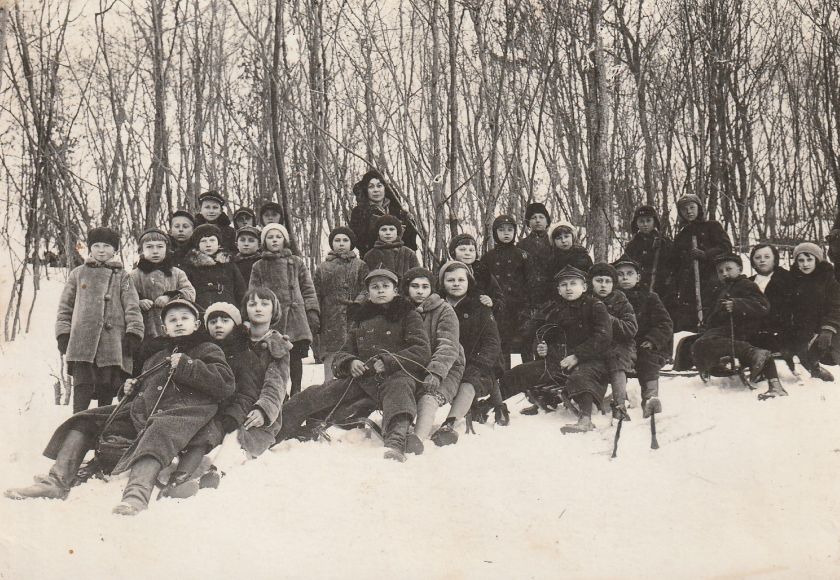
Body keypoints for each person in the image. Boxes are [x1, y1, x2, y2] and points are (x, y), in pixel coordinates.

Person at [5, 299, 234, 516]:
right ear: (165, 328)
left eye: (185, 318)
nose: (179, 323)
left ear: (196, 324)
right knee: (85, 420)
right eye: (172, 320)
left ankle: (135, 497)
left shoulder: (208, 349)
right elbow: (146, 387)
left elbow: (225, 384)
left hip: (182, 415)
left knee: (158, 431)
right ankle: (56, 482)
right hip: (144, 412)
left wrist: (188, 365)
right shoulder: (157, 356)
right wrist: (129, 389)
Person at [275, 269, 430, 462]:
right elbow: (343, 353)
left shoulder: (408, 315)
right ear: (368, 292)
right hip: (362, 379)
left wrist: (388, 362)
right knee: (314, 394)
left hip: (396, 376)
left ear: (395, 290)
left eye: (385, 286)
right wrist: (350, 362)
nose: (380, 290)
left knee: (400, 392)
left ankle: (396, 443)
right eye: (375, 287)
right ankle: (269, 434)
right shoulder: (361, 318)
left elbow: (421, 350)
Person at [156, 302, 262, 499]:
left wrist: (233, 415)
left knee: (205, 436)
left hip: (225, 413)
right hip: (197, 409)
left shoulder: (245, 355)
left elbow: (247, 393)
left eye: (225, 320)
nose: (218, 325)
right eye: (213, 321)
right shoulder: (200, 349)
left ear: (236, 325)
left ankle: (180, 479)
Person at [499, 266, 612, 433]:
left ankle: (585, 419)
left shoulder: (595, 306)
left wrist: (578, 356)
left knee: (580, 376)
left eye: (573, 283)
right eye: (564, 285)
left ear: (584, 287)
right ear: (558, 290)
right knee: (519, 372)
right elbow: (544, 334)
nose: (568, 288)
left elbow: (603, 336)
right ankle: (488, 406)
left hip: (591, 361)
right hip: (559, 362)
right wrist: (541, 347)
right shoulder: (555, 310)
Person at [56, 227, 145, 412]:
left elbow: (132, 307)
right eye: (96, 245)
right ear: (90, 248)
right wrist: (63, 334)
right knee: (82, 388)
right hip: (82, 344)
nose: (101, 250)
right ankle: (78, 423)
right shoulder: (78, 274)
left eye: (107, 246)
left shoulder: (123, 276)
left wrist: (134, 333)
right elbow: (65, 308)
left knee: (107, 389)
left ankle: (102, 423)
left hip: (111, 344)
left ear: (115, 250)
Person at [691, 254, 786, 399]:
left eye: (728, 269)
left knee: (703, 343)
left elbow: (763, 306)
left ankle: (752, 354)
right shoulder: (722, 289)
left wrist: (737, 304)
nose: (724, 273)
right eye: (720, 271)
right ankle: (718, 367)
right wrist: (706, 324)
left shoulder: (746, 285)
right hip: (725, 331)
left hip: (742, 330)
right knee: (690, 342)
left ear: (740, 269)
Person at [431, 261, 503, 446]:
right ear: (442, 283)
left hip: (476, 363)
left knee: (469, 381)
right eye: (450, 280)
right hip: (446, 362)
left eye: (461, 280)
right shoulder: (436, 307)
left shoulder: (480, 306)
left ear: (469, 282)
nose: (456, 284)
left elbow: (492, 342)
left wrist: (479, 364)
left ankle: (449, 424)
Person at [249, 223, 319, 397]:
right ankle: (280, 394)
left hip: (296, 317)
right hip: (273, 319)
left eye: (278, 237)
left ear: (285, 240)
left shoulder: (296, 262)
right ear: (264, 242)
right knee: (275, 356)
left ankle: (296, 392)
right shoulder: (259, 266)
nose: (274, 240)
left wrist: (312, 310)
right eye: (270, 237)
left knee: (295, 357)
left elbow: (308, 288)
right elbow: (253, 292)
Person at [401, 267, 465, 455]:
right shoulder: (400, 310)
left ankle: (417, 438)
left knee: (429, 396)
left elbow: (448, 345)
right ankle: (398, 430)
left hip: (446, 366)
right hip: (413, 364)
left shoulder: (444, 310)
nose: (420, 291)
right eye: (415, 286)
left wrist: (435, 373)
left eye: (425, 286)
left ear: (432, 289)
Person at [614, 256, 673, 417]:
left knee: (648, 359)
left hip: (643, 344)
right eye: (620, 274)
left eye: (630, 273)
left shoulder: (649, 297)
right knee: (613, 361)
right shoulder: (610, 299)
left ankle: (650, 399)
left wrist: (652, 340)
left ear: (638, 277)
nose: (625, 278)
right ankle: (618, 401)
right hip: (620, 347)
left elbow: (664, 323)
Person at [670, 194, 733, 331]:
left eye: (692, 207)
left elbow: (726, 248)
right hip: (689, 286)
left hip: (711, 281)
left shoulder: (712, 226)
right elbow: (675, 263)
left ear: (699, 208)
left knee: (712, 316)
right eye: (684, 209)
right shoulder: (681, 236)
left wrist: (705, 254)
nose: (689, 211)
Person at [313, 227, 368, 381]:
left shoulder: (360, 265)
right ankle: (329, 386)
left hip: (354, 316)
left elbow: (366, 288)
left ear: (351, 243)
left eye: (345, 240)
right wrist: (317, 315)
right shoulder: (323, 267)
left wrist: (358, 304)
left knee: (353, 351)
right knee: (331, 353)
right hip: (330, 318)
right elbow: (316, 293)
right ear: (332, 243)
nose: (341, 244)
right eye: (337, 240)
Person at [588, 263, 637, 420]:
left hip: (619, 346)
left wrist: (608, 319)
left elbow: (630, 328)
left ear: (613, 284)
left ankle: (619, 405)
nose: (603, 285)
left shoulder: (621, 301)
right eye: (599, 281)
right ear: (590, 282)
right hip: (594, 345)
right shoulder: (586, 301)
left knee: (616, 361)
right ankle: (590, 402)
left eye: (608, 281)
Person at [786, 242, 840, 382]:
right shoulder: (793, 280)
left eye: (809, 259)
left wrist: (828, 329)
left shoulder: (828, 280)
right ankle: (814, 370)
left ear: (817, 260)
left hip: (827, 326)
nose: (805, 264)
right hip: (803, 328)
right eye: (801, 260)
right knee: (800, 353)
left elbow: (836, 306)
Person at [485, 214, 533, 367]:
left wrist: (529, 307)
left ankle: (527, 378)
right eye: (501, 230)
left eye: (509, 230)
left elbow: (531, 283)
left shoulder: (523, 256)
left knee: (524, 344)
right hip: (498, 309)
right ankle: (504, 377)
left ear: (514, 232)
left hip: (520, 310)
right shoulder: (488, 258)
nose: (506, 233)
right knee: (502, 344)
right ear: (495, 232)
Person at [130, 228, 196, 339]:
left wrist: (169, 297)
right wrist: (139, 302)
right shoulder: (134, 275)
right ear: (141, 250)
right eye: (149, 247)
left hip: (174, 329)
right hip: (146, 329)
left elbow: (190, 293)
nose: (155, 251)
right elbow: (126, 297)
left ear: (167, 249)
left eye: (160, 246)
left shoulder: (177, 273)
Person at [349, 170, 418, 257]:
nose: (376, 190)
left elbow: (410, 243)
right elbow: (361, 243)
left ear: (385, 188)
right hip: (372, 258)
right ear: (366, 190)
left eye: (379, 186)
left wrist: (409, 224)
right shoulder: (360, 212)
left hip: (399, 258)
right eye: (371, 187)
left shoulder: (397, 211)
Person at [748, 243, 794, 366]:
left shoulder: (787, 279)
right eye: (758, 257)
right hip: (753, 332)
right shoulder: (748, 282)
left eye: (767, 257)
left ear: (775, 259)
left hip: (780, 333)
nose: (762, 260)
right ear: (753, 261)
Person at [182, 223, 247, 311]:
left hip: (228, 310)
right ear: (197, 245)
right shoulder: (191, 267)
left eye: (212, 240)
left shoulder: (229, 265)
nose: (208, 244)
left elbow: (241, 291)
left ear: (219, 244)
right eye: (203, 241)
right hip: (201, 310)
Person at [625, 204, 675, 300]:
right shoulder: (632, 245)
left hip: (662, 287)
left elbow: (673, 264)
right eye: (641, 221)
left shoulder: (664, 241)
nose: (645, 224)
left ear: (654, 222)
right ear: (636, 223)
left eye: (648, 220)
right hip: (640, 288)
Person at [447, 233, 504, 314]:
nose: (467, 253)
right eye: (462, 249)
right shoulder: (447, 271)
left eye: (471, 250)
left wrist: (492, 302)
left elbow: (499, 297)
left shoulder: (483, 272)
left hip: (479, 316)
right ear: (453, 252)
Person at [518, 202, 554, 311]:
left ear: (547, 221)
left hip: (552, 296)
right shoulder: (521, 245)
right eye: (533, 217)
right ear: (528, 222)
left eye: (541, 217)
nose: (538, 220)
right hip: (528, 298)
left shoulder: (554, 242)